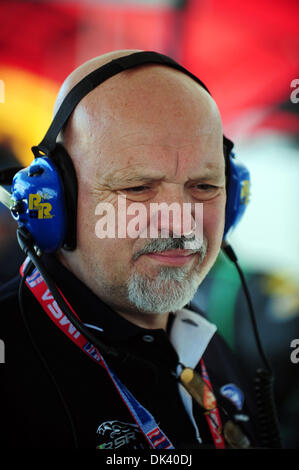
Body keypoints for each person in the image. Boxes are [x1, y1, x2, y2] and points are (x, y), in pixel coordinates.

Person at [0, 49, 262, 449]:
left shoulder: (208, 343)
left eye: (204, 187)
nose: (180, 221)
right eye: (137, 188)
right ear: (55, 203)